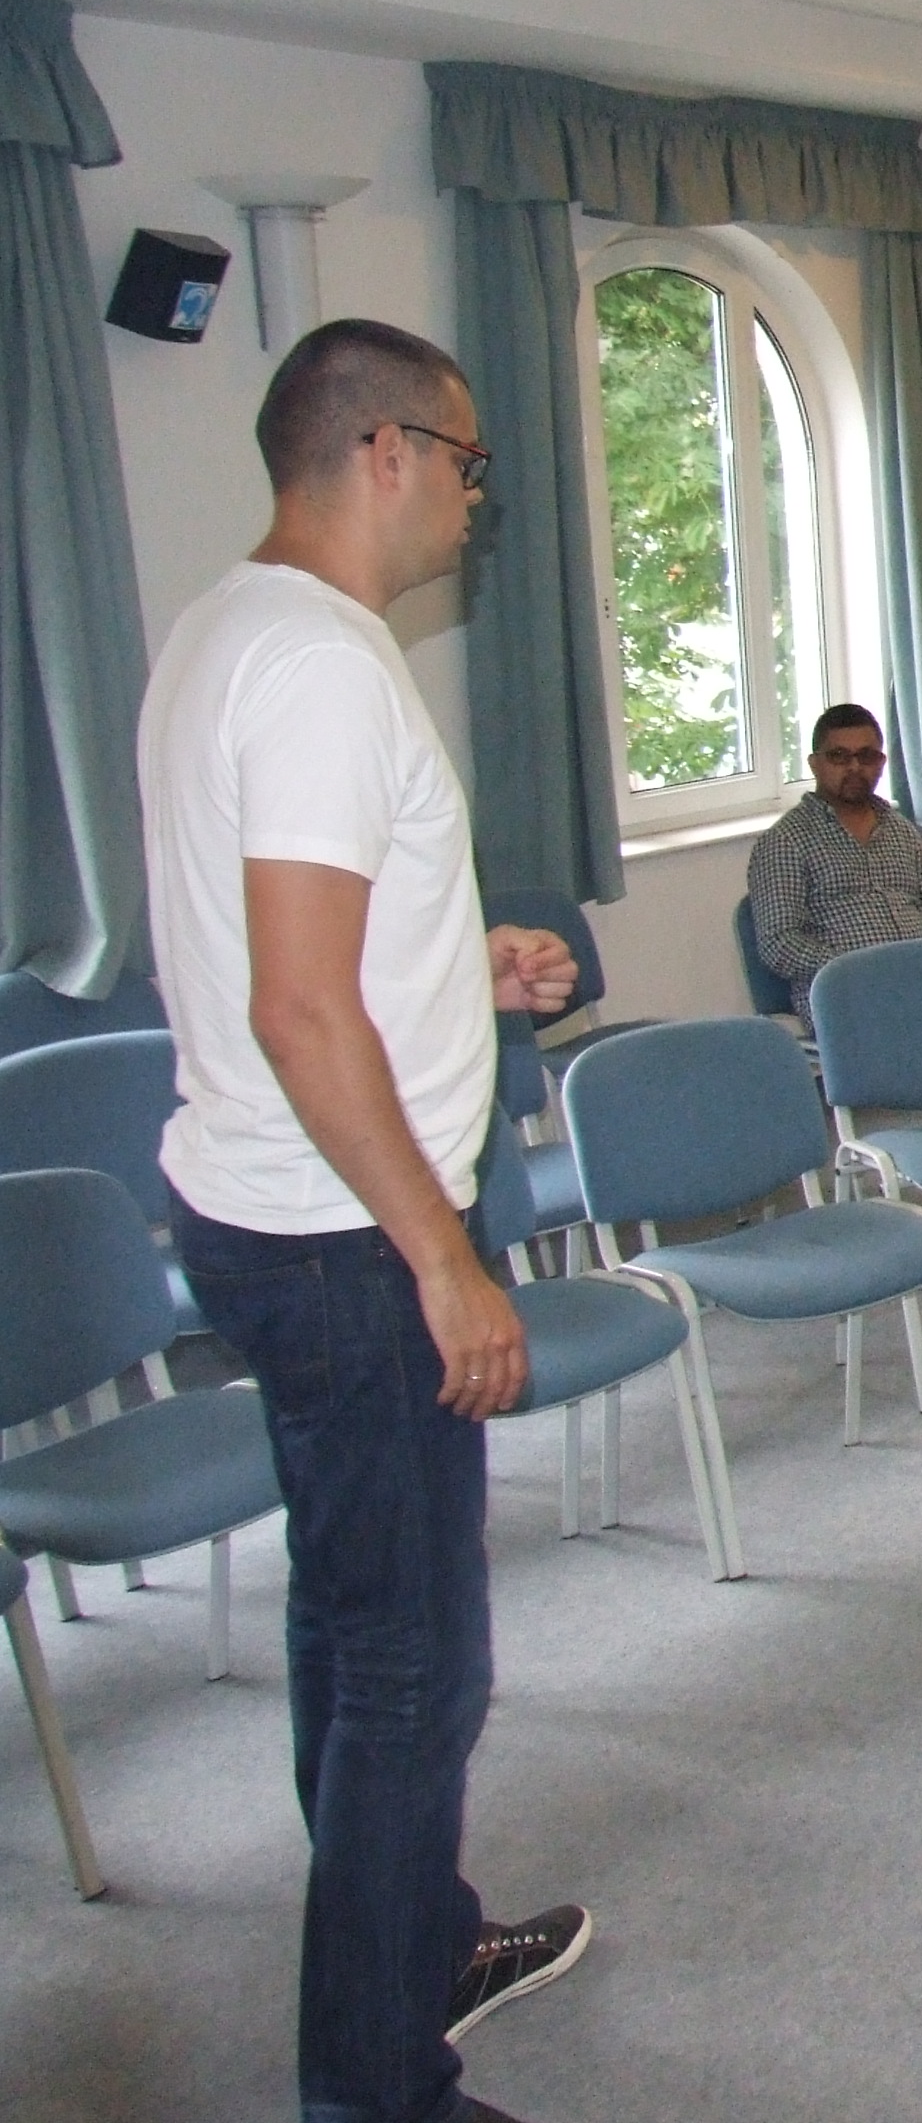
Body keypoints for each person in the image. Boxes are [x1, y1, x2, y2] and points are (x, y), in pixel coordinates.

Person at [140, 319, 593, 2123]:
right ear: (385, 449)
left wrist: (462, 968)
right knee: (417, 1672)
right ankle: (373, 2085)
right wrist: (446, 1258)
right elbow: (299, 1010)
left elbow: (299, 953)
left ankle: (412, 1944)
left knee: (349, 1625)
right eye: (469, 464)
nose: (478, 499)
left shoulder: (224, 630)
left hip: (265, 1205)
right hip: (343, 1238)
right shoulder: (323, 667)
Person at [744, 704, 922, 1014]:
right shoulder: (786, 841)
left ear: (881, 763)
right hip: (846, 996)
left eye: (866, 756)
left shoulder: (900, 829)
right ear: (815, 764)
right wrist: (856, 970)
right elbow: (779, 943)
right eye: (839, 756)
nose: (855, 767)